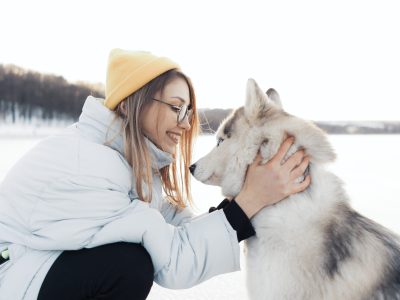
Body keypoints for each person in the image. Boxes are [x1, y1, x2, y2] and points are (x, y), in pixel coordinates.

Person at [0, 49, 310, 300]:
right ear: (133, 103)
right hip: (13, 278)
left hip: (33, 267)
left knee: (128, 261)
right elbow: (173, 260)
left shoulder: (122, 160)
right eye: (176, 107)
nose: (186, 123)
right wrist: (251, 200)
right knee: (129, 265)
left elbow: (173, 227)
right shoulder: (90, 166)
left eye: (188, 111)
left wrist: (239, 207)